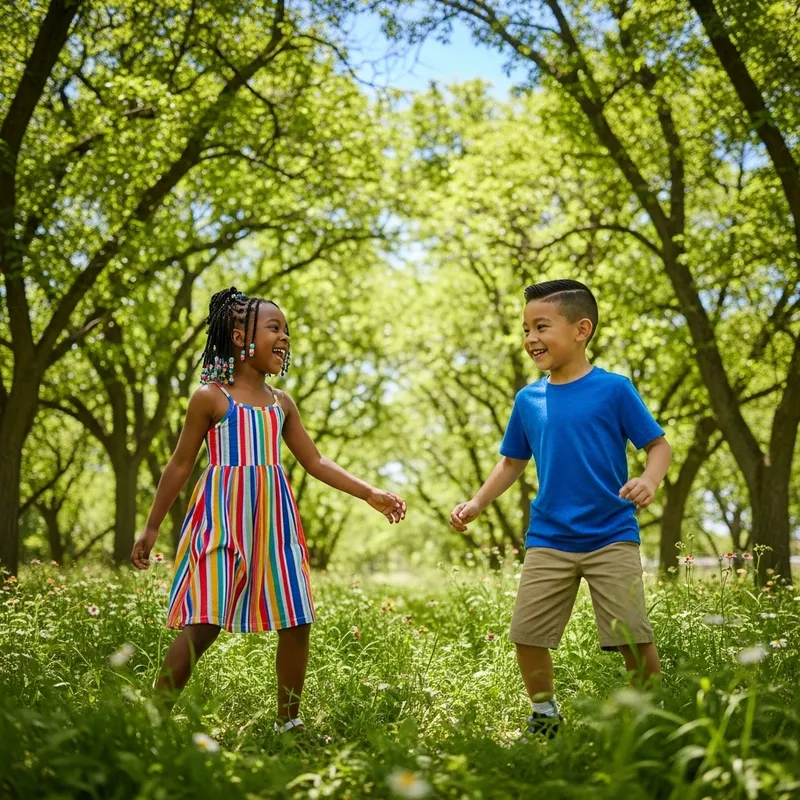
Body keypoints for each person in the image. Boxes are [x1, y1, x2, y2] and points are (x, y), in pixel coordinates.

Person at [131, 287, 406, 733]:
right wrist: (151, 527)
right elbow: (180, 464)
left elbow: (315, 462)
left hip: (274, 524)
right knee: (203, 623)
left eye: (287, 331)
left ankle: (288, 724)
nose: (285, 338)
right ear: (240, 337)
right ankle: (150, 721)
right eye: (274, 328)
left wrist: (369, 492)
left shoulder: (282, 404)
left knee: (296, 620)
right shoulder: (211, 398)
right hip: (221, 519)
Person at [450, 279, 671, 738]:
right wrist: (477, 502)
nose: (530, 338)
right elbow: (512, 461)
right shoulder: (527, 399)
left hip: (611, 534)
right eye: (526, 328)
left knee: (631, 635)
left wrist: (649, 479)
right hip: (549, 537)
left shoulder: (614, 389)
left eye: (541, 326)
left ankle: (652, 717)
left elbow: (658, 445)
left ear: (581, 329)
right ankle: (544, 712)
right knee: (527, 634)